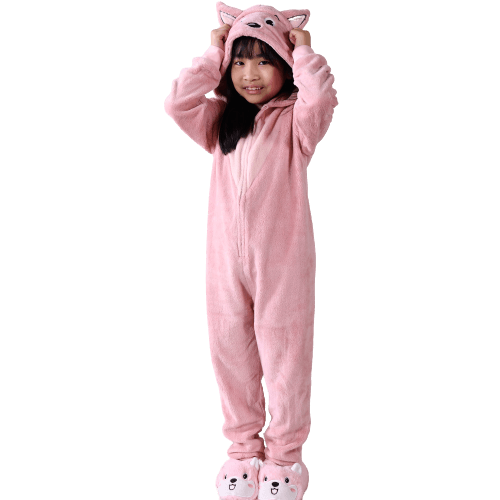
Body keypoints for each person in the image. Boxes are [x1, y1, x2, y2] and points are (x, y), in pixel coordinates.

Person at [164, 2, 339, 499]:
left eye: (263, 61)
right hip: (224, 263)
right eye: (240, 62)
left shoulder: (296, 124)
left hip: (281, 262)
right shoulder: (220, 121)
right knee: (229, 353)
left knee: (285, 357)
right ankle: (243, 453)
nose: (250, 74)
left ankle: (285, 458)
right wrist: (213, 52)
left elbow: (320, 98)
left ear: (283, 65)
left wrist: (304, 52)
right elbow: (177, 102)